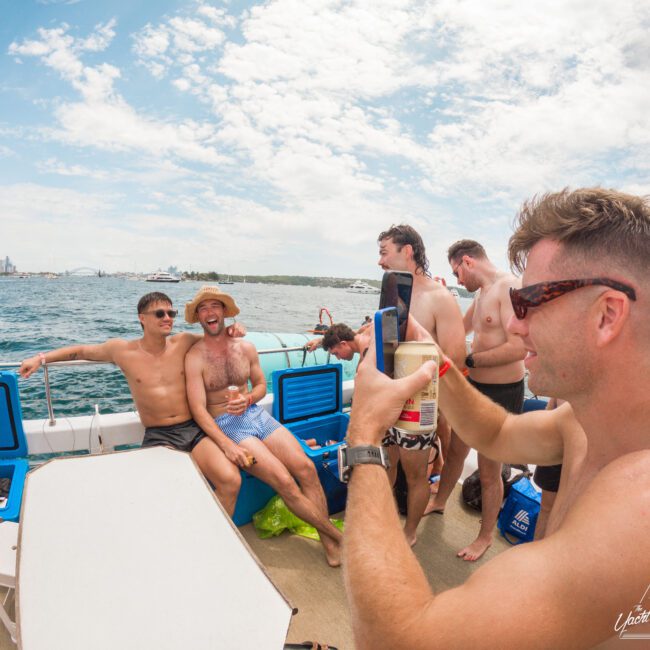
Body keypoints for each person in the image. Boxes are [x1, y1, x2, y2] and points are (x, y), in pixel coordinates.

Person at [343, 188, 650, 647]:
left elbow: (400, 640)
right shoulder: (581, 422)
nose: (515, 324)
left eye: (529, 302)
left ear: (607, 314)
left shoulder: (637, 510)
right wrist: (436, 360)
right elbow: (497, 430)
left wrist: (363, 437)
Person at [18, 291, 243, 515]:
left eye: (171, 312)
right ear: (141, 318)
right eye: (160, 313)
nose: (168, 318)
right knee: (151, 497)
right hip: (159, 435)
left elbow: (214, 336)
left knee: (231, 480)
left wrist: (233, 330)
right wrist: (41, 358)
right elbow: (80, 351)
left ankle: (208, 533)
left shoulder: (182, 341)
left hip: (192, 428)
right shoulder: (122, 351)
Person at [183, 286, 344, 567]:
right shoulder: (194, 356)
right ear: (198, 317)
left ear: (224, 312)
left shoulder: (245, 347)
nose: (210, 312)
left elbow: (260, 386)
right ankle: (339, 538)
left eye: (215, 306)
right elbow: (198, 410)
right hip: (227, 424)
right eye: (203, 308)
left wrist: (248, 398)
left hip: (256, 414)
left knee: (306, 468)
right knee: (283, 481)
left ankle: (327, 539)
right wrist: (227, 445)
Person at [425, 239, 526, 561]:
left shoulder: (508, 288)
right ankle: (439, 501)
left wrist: (469, 363)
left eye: (457, 273)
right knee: (456, 451)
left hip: (502, 393)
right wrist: (440, 299)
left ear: (467, 262)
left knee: (488, 469)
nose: (458, 280)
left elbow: (518, 348)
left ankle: (484, 537)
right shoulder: (481, 295)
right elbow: (459, 327)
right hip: (476, 389)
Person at [377, 224, 466, 546]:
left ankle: (409, 533)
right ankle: (383, 521)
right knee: (384, 465)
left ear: (408, 251)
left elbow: (456, 357)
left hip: (417, 406)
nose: (380, 261)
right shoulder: (390, 295)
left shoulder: (440, 298)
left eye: (384, 252)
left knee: (416, 476)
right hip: (388, 399)